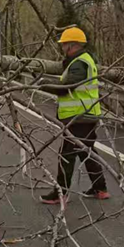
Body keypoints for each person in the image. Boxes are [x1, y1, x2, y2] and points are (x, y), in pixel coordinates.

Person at [39, 27, 110, 205]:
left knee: (67, 155)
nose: (62, 47)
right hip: (88, 114)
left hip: (78, 116)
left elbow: (68, 86)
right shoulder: (84, 60)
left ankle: (60, 193)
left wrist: (44, 84)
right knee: (87, 151)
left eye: (64, 44)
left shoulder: (79, 63)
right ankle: (100, 188)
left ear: (72, 45)